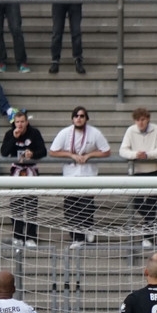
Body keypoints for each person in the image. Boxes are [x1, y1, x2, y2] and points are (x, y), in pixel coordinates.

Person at [48, 106, 111, 248]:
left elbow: (106, 151)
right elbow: (53, 151)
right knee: (70, 208)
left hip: (88, 175)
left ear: (86, 118)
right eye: (76, 116)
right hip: (70, 176)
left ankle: (87, 229)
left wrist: (89, 155)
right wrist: (70, 155)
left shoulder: (94, 133)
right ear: (72, 118)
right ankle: (77, 237)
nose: (79, 118)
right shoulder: (65, 133)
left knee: (86, 206)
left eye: (82, 116)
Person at [119, 107, 157, 248]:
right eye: (138, 120)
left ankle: (148, 238)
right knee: (137, 203)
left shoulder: (156, 129)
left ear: (148, 119)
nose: (140, 123)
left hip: (153, 170)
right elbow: (123, 150)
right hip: (137, 172)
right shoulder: (130, 131)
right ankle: (156, 224)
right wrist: (135, 155)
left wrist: (147, 155)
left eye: (143, 119)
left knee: (151, 203)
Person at [0, 110, 46, 246]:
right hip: (17, 170)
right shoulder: (10, 133)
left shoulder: (34, 133)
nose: (19, 124)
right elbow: (4, 152)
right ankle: (18, 236)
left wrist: (32, 154)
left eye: (22, 122)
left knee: (31, 204)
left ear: (27, 122)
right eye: (17, 122)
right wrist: (14, 138)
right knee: (16, 204)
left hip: (31, 170)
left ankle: (31, 237)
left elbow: (43, 151)